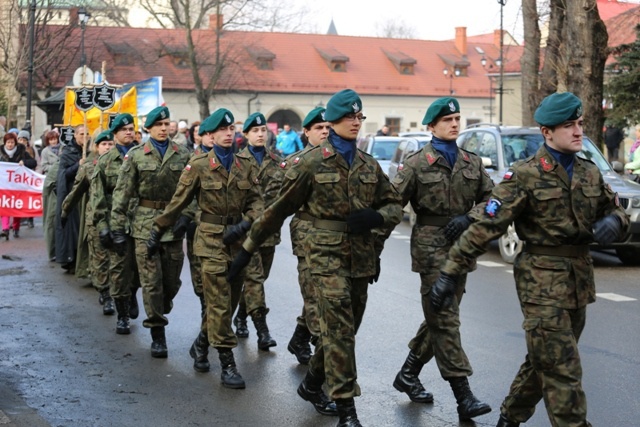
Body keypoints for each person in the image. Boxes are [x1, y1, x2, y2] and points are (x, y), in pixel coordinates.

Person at [430, 92, 629, 427]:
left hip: (578, 282)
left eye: (579, 123)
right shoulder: (524, 175)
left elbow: (617, 212)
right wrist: (450, 273)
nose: (579, 130)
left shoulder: (589, 172)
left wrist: (614, 223)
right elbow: (486, 226)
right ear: (547, 132)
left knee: (544, 361)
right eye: (569, 125)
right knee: (563, 369)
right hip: (540, 285)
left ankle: (509, 417)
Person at [228, 89, 403, 426]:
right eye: (348, 117)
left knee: (346, 329)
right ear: (333, 122)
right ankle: (347, 410)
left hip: (360, 258)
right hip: (322, 256)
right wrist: (247, 249)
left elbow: (393, 203)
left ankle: (311, 384)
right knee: (337, 331)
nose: (355, 122)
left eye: (359, 117)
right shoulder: (308, 162)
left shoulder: (368, 164)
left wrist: (377, 218)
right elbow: (276, 211)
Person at [389, 97, 493, 421]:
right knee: (446, 320)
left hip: (461, 249)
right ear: (431, 126)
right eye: (447, 120)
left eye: (458, 118)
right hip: (431, 250)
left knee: (439, 316)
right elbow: (392, 204)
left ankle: (408, 374)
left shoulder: (472, 163)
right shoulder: (417, 163)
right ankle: (464, 396)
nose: (454, 124)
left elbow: (494, 202)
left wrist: (470, 217)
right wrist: (371, 249)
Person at [152, 108, 263, 388]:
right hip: (210, 242)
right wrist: (157, 229)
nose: (228, 134)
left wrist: (247, 223)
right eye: (222, 131)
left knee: (229, 303)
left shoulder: (245, 165)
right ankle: (227, 364)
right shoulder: (198, 165)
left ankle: (201, 343)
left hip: (238, 242)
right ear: (209, 136)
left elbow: (257, 201)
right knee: (218, 305)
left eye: (231, 130)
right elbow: (178, 201)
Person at [110, 106, 191, 356]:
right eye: (159, 125)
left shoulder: (183, 154)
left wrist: (187, 216)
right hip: (144, 225)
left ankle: (161, 306)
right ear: (148, 129)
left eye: (167, 124)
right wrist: (116, 228)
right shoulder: (136, 156)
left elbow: (194, 189)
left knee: (171, 281)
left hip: (173, 224)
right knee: (151, 283)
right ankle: (157, 333)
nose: (164, 128)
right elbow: (122, 193)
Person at [230, 112, 283, 350]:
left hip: (269, 233)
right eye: (256, 131)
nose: (261, 134)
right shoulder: (235, 162)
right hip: (246, 233)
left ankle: (241, 316)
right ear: (246, 134)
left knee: (259, 279)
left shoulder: (278, 161)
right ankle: (263, 330)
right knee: (253, 279)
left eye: (264, 131)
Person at [284, 106, 331, 365]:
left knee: (323, 294)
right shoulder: (297, 163)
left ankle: (299, 338)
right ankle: (321, 362)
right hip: (307, 237)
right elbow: (278, 201)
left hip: (334, 240)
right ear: (306, 132)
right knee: (314, 295)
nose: (324, 132)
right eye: (319, 128)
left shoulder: (338, 159)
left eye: (327, 128)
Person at [91, 113, 142, 335]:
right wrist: (103, 227)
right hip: (116, 222)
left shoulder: (143, 157)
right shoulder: (104, 162)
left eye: (131, 128)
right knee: (119, 270)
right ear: (115, 134)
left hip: (141, 222)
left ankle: (132, 293)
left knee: (140, 270)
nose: (129, 132)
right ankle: (122, 315)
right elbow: (98, 198)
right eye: (124, 130)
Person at [61, 130, 115, 315]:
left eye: (110, 144)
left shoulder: (124, 163)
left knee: (118, 260)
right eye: (104, 144)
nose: (108, 147)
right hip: (96, 218)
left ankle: (120, 295)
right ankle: (105, 293)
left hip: (118, 218)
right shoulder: (89, 167)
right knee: (100, 258)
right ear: (97, 147)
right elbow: (76, 191)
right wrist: (65, 210)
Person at [55, 124, 89, 271]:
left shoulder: (91, 150)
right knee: (73, 229)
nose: (84, 137)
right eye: (81, 134)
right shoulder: (68, 151)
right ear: (75, 135)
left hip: (87, 196)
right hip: (73, 195)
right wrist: (78, 165)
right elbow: (64, 174)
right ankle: (71, 259)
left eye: (87, 134)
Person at [0, 133, 37, 239]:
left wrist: (24, 162)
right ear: (5, 143)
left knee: (16, 207)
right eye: (8, 142)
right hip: (4, 186)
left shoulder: (22, 152)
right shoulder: (0, 153)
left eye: (12, 142)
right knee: (4, 206)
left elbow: (33, 162)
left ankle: (16, 228)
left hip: (18, 186)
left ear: (15, 143)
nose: (10, 145)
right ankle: (6, 229)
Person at [41, 130, 61, 260]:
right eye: (51, 140)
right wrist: (55, 166)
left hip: (62, 181)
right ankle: (52, 251)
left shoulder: (63, 149)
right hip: (51, 181)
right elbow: (44, 166)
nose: (54, 142)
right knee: (51, 217)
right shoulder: (45, 152)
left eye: (55, 139)